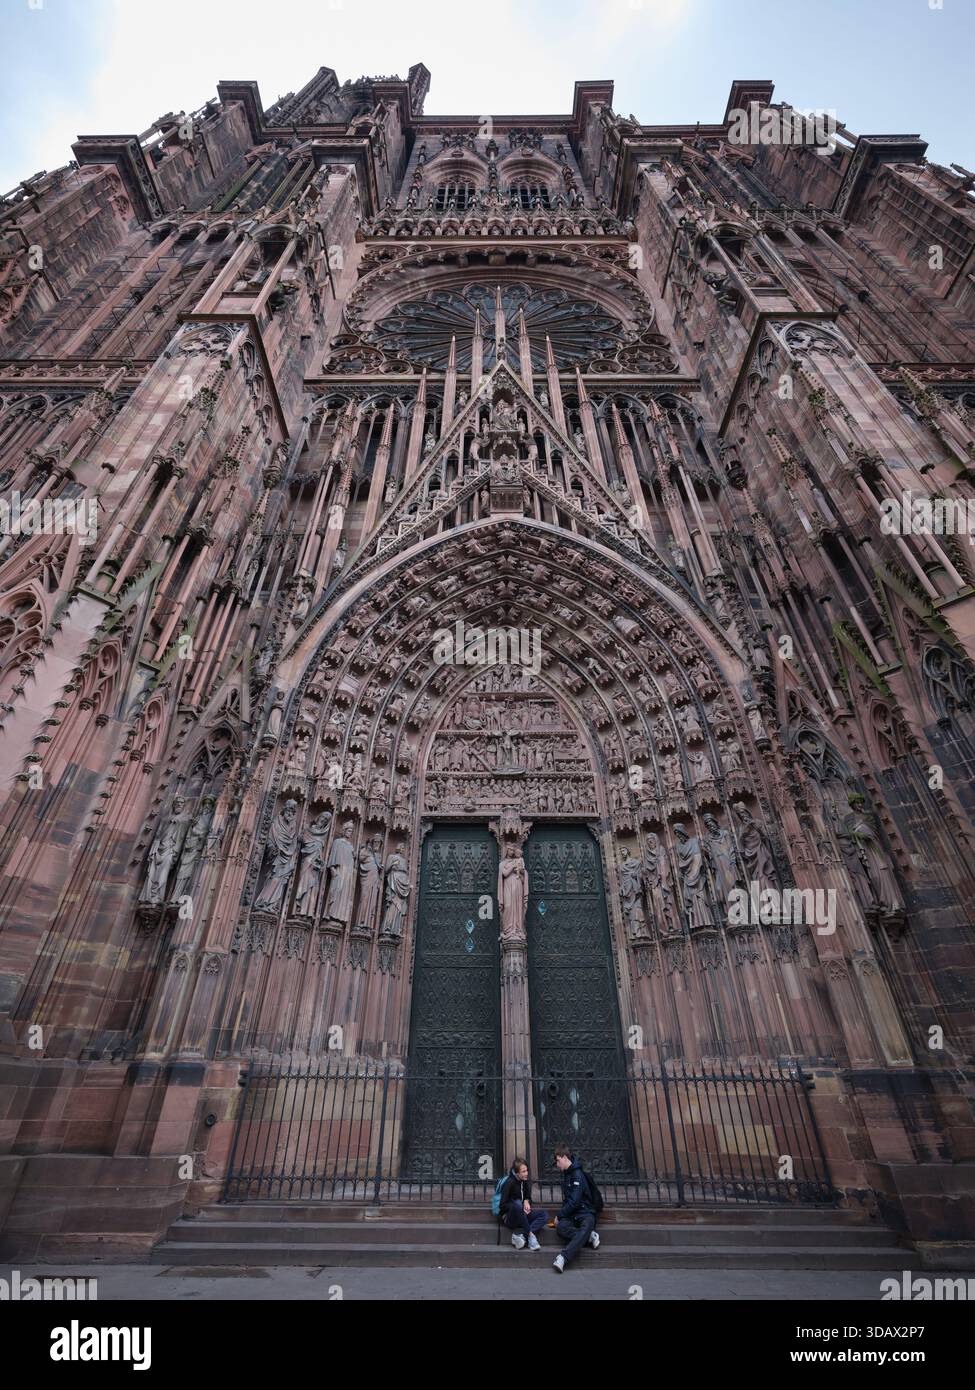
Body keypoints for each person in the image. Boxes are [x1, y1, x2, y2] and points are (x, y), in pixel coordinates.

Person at [552, 1145, 600, 1272]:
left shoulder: (577, 1175)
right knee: (561, 1227)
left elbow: (574, 1201)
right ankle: (589, 1237)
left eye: (558, 1160)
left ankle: (563, 1257)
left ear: (564, 1157)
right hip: (573, 1215)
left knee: (584, 1228)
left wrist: (559, 1215)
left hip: (586, 1213)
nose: (557, 1165)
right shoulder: (567, 1174)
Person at [498, 1158, 549, 1251]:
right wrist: (519, 1207)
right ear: (517, 1173)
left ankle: (521, 1237)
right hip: (510, 1219)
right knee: (517, 1203)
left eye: (527, 1170)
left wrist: (526, 1201)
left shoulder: (525, 1180)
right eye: (523, 1171)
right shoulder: (509, 1182)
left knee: (544, 1214)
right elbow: (502, 1205)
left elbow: (528, 1197)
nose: (526, 1173)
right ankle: (530, 1236)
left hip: (523, 1216)